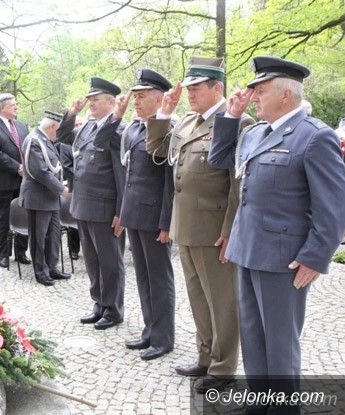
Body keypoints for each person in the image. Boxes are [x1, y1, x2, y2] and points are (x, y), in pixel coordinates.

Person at [209, 56, 345, 411]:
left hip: (283, 260)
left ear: (286, 94)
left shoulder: (314, 136)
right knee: (253, 337)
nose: (254, 97)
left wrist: (314, 257)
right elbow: (219, 159)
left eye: (261, 90)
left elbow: (335, 205)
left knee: (280, 345)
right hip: (248, 250)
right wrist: (231, 116)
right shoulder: (254, 132)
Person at [147, 56, 254, 392]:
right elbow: (158, 151)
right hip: (187, 225)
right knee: (198, 298)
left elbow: (238, 183)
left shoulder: (238, 122)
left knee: (222, 302)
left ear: (216, 87)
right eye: (189, 88)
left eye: (196, 88)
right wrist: (164, 113)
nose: (190, 94)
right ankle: (205, 357)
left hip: (214, 229)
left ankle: (223, 368)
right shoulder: (189, 122)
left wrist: (229, 231)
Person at [58, 78, 128, 330]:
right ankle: (99, 303)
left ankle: (113, 309)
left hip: (105, 208)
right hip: (84, 205)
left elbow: (121, 174)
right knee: (92, 260)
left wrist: (121, 212)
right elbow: (63, 136)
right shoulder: (87, 126)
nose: (91, 104)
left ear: (111, 102)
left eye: (96, 100)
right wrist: (72, 113)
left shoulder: (118, 129)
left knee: (110, 261)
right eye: (90, 100)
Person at [120, 69, 175, 361]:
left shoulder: (168, 129)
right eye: (135, 97)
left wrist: (166, 223)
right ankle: (149, 331)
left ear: (159, 99)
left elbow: (169, 182)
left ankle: (163, 338)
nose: (136, 101)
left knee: (159, 279)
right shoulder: (135, 129)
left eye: (141, 97)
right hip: (135, 214)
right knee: (143, 277)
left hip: (155, 218)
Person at [19, 111, 71, 286]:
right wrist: (60, 188)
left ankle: (52, 267)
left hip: (50, 197)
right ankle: (41, 271)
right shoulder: (34, 140)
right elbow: (40, 171)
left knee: (53, 235)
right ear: (52, 126)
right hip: (38, 197)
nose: (58, 134)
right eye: (57, 130)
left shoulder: (44, 139)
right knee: (39, 237)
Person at [0, 93, 31, 269]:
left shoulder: (22, 125)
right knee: (4, 217)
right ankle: (4, 254)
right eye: (12, 105)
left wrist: (28, 167)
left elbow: (29, 148)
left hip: (24, 180)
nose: (16, 107)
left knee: (23, 214)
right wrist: (17, 167)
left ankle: (21, 252)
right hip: (4, 181)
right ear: (1, 108)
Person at [54, 139, 80, 259]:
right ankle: (74, 249)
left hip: (90, 188)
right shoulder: (66, 145)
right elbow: (66, 166)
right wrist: (84, 174)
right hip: (74, 186)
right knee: (73, 217)